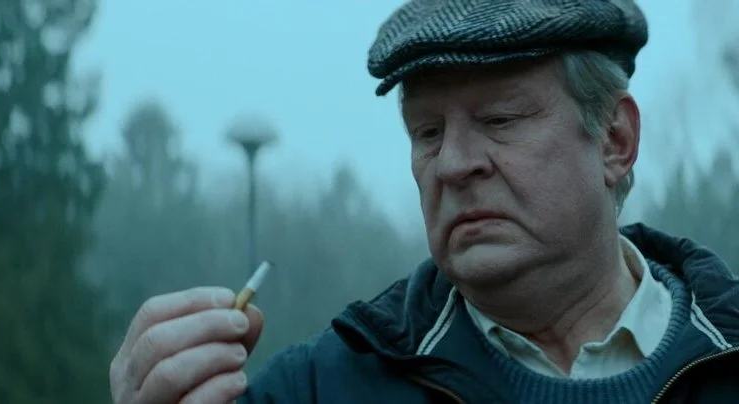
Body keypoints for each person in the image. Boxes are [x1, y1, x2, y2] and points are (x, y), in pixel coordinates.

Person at [109, 0, 739, 403]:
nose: (453, 164)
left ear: (615, 140)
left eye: (499, 119)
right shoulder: (321, 389)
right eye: (427, 132)